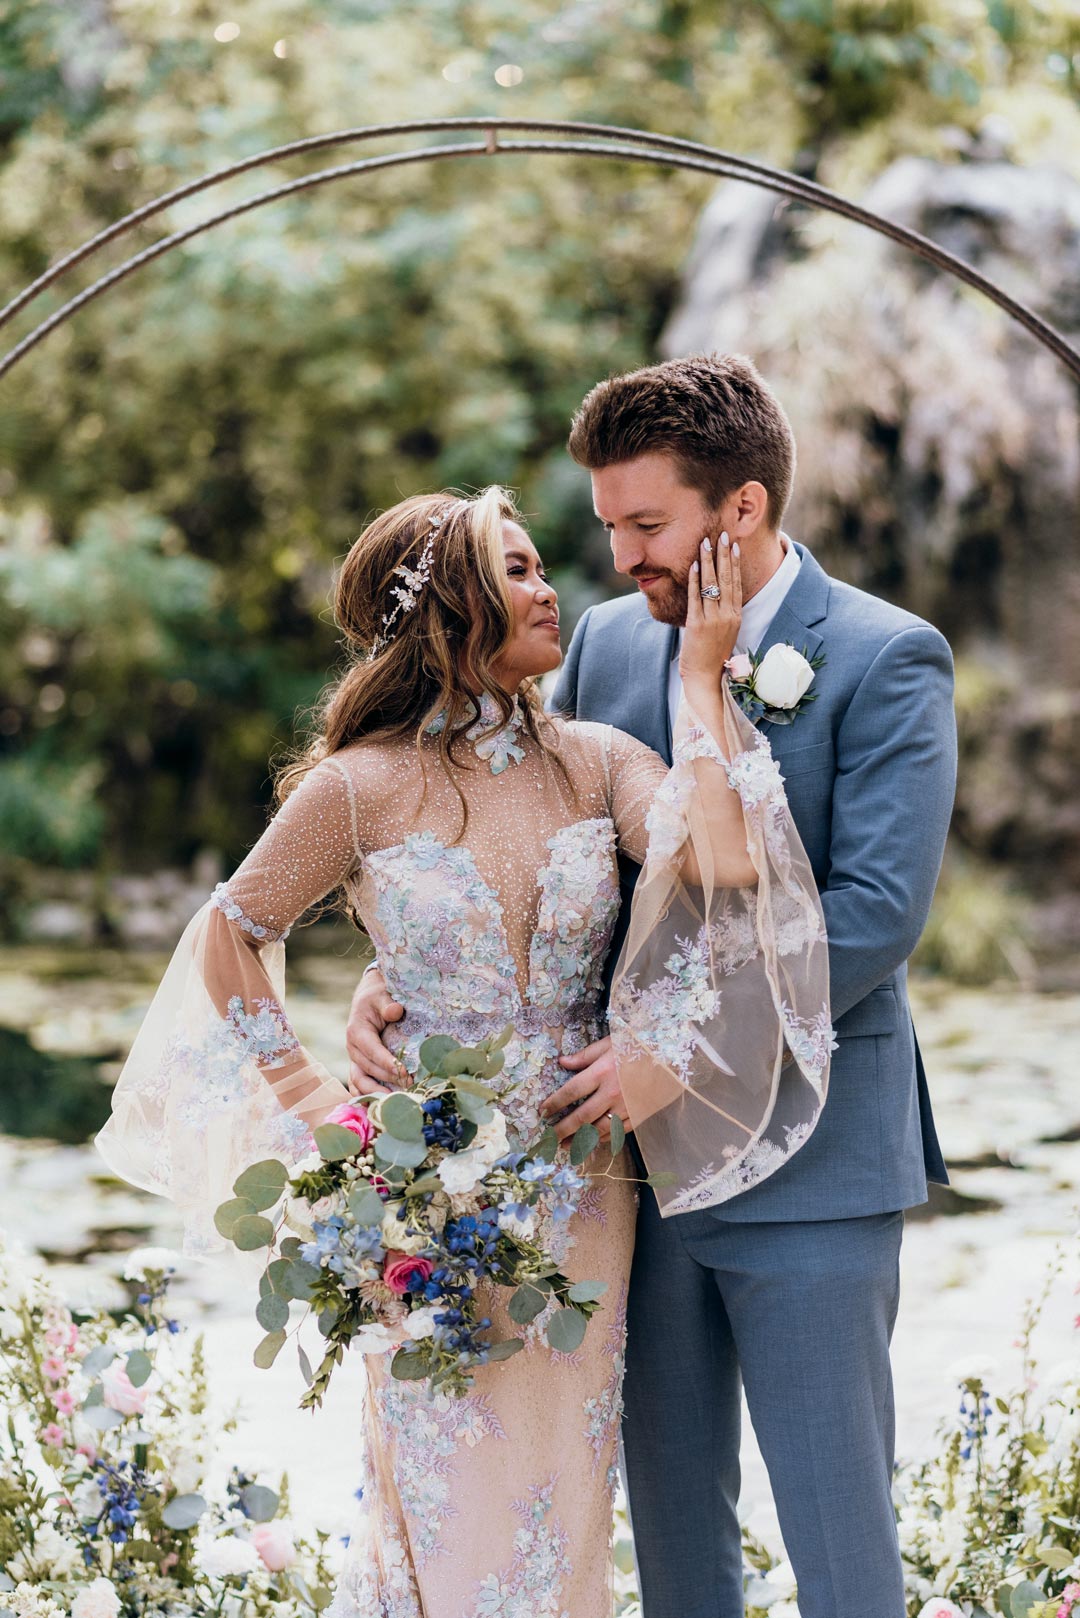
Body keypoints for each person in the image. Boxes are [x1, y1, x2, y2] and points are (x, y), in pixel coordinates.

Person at [96, 483, 829, 1618]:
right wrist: (320, 1105)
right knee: (457, 1513)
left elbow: (730, 869)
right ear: (456, 606)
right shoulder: (357, 787)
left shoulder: (595, 760)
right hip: (429, 1203)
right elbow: (231, 935)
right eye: (523, 569)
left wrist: (700, 675)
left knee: (566, 1518)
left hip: (586, 1191)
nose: (554, 590)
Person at [349, 356, 958, 1618]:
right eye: (608, 526)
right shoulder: (614, 648)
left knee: (840, 1538)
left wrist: (676, 1048)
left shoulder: (887, 659)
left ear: (740, 511)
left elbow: (873, 918)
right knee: (679, 1544)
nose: (618, 558)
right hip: (631, 1181)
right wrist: (391, 974)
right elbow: (541, 856)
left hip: (819, 1171)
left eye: (646, 526)